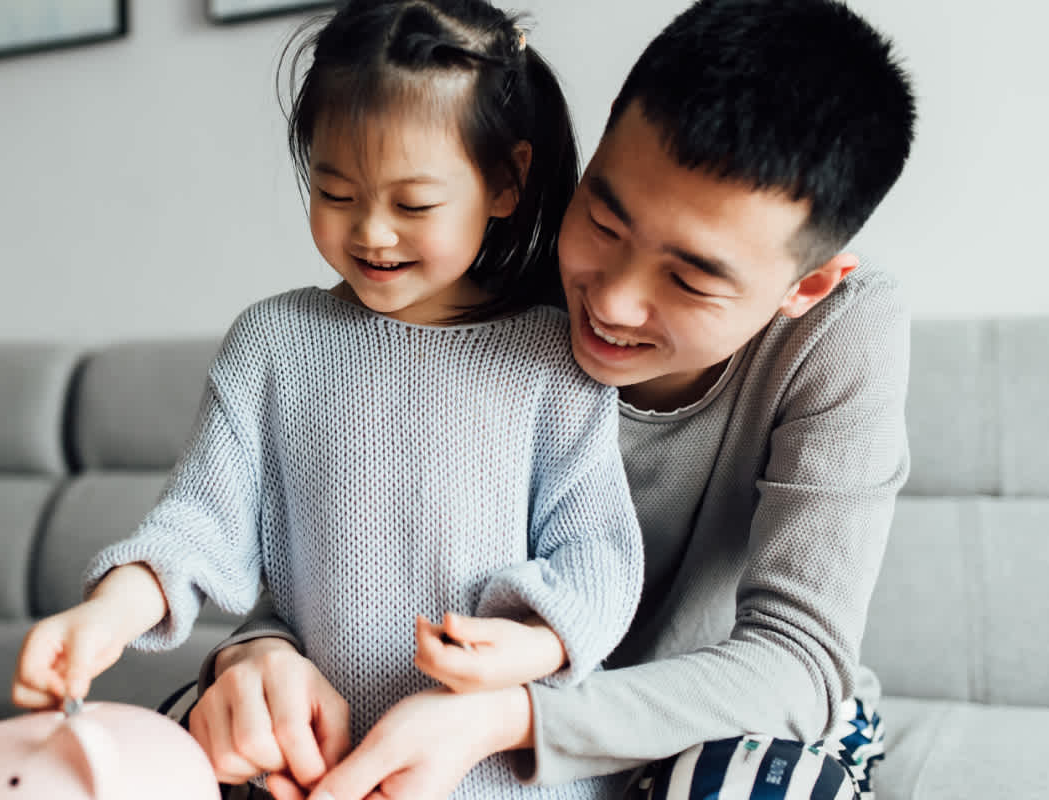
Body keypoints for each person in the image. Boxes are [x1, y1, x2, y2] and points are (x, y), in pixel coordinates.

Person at [188, 1, 918, 798]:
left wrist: (515, 719)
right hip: (459, 720)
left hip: (706, 720)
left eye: (689, 278)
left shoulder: (843, 333)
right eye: (604, 222)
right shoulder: (483, 273)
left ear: (806, 285)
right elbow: (313, 548)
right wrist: (254, 654)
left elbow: (799, 659)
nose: (612, 301)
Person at [12, 2, 646, 798]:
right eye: (336, 192)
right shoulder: (273, 344)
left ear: (507, 181)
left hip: (506, 775)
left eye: (413, 204)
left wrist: (535, 647)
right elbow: (198, 524)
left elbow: (599, 557)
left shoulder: (554, 360)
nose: (372, 233)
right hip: (320, 771)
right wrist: (102, 618)